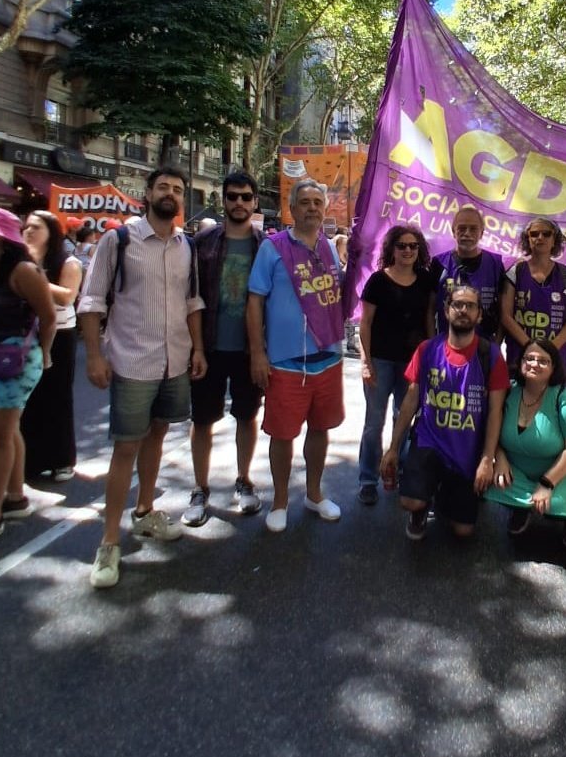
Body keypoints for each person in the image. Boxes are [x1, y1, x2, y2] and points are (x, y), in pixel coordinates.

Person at [78, 167, 206, 588]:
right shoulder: (118, 240)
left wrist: (198, 349)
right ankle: (109, 542)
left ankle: (145, 511)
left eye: (177, 189)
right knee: (125, 448)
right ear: (147, 193)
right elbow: (91, 300)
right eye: (163, 187)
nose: (171, 193)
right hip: (132, 361)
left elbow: (192, 302)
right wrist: (94, 356)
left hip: (175, 360)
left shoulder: (186, 245)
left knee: (158, 434)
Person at [247, 177, 345, 533]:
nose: (312, 209)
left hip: (328, 358)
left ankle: (314, 494)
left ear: (325, 208)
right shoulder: (272, 248)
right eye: (305, 202)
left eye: (318, 203)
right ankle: (280, 501)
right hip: (286, 363)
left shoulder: (330, 247)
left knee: (320, 429)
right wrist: (257, 353)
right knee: (283, 434)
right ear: (291, 209)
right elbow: (255, 300)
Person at [379, 285, 510, 541]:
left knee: (463, 530)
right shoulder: (427, 349)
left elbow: (495, 412)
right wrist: (393, 447)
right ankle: (420, 508)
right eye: (457, 304)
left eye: (470, 306)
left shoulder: (491, 355)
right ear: (446, 311)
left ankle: (442, 495)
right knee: (410, 501)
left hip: (466, 450)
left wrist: (487, 459)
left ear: (479, 315)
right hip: (430, 441)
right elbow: (410, 400)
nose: (463, 310)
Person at [181, 172, 264, 527]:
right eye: (233, 196)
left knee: (247, 416)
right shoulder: (202, 242)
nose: (239, 203)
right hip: (209, 347)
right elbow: (191, 297)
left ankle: (244, 480)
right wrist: (197, 348)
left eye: (246, 197)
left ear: (255, 201)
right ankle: (200, 488)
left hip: (249, 350)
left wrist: (263, 351)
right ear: (224, 200)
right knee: (202, 420)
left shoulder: (267, 246)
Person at [0, 208, 56, 541]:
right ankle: (15, 496)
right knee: (7, 429)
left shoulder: (24, 270)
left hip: (15, 361)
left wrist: (44, 352)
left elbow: (49, 316)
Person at [486, 338, 566, 547]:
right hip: (518, 469)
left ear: (554, 367)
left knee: (555, 503)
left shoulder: (565, 399)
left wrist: (546, 484)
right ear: (520, 362)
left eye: (543, 361)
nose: (534, 364)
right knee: (492, 482)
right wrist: (500, 457)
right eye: (529, 358)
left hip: (565, 471)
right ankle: (524, 507)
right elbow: (492, 427)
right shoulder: (508, 391)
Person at [356, 224, 435, 506]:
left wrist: (431, 354)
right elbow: (365, 323)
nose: (408, 250)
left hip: (412, 362)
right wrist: (365, 361)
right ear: (392, 249)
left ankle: (399, 470)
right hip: (380, 360)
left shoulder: (426, 280)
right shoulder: (378, 281)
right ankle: (367, 479)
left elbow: (429, 319)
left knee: (404, 419)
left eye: (413, 246)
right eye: (402, 245)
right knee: (373, 422)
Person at [20, 211, 83, 482]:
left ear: (51, 232)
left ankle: (62, 460)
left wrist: (33, 278)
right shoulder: (20, 261)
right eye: (26, 227)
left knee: (57, 396)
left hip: (61, 334)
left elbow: (67, 297)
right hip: (25, 334)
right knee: (28, 399)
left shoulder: (69, 262)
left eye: (36, 227)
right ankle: (31, 461)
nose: (29, 231)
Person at [499, 217, 566, 385]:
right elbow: (506, 316)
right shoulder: (515, 272)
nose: (540, 237)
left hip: (557, 355)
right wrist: (531, 347)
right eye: (534, 234)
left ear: (555, 239)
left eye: (546, 234)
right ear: (527, 239)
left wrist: (551, 348)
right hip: (521, 354)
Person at [429, 204, 504, 339]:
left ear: (482, 233)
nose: (467, 233)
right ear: (453, 231)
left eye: (473, 229)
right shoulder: (439, 263)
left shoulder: (495, 264)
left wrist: (497, 345)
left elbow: (504, 312)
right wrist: (433, 344)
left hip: (484, 345)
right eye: (462, 228)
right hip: (446, 344)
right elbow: (430, 310)